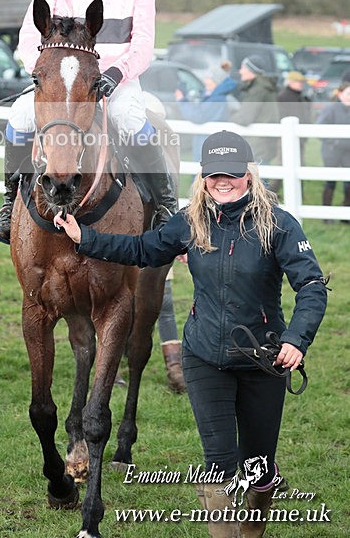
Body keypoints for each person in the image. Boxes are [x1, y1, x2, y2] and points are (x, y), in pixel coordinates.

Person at [54, 130, 327, 537]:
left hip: (263, 360)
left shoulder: (279, 224)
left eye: (231, 173)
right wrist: (85, 238)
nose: (222, 181)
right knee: (219, 466)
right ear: (203, 176)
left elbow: (312, 285)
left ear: (248, 174)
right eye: (214, 174)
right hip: (204, 357)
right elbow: (143, 250)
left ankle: (253, 526)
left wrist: (295, 339)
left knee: (258, 468)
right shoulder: (190, 220)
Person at [0, 0, 176, 243]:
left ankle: (166, 205)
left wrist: (115, 74)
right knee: (20, 116)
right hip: (60, 82)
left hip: (115, 81)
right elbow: (29, 37)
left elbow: (143, 46)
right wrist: (43, 75)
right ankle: (10, 204)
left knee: (130, 119)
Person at [175, 61, 238, 162]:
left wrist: (182, 101)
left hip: (209, 145)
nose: (205, 81)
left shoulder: (216, 99)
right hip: (205, 143)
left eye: (208, 78)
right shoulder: (211, 96)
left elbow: (198, 117)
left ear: (216, 81)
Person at [269, 71, 312, 195]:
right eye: (298, 82)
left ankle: (297, 195)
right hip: (286, 139)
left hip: (299, 138)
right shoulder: (283, 97)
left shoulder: (300, 97)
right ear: (291, 82)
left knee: (298, 166)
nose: (301, 84)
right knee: (282, 167)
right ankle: (270, 195)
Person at [233, 55, 279, 165]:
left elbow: (244, 118)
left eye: (243, 68)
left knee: (256, 175)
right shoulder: (264, 87)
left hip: (256, 145)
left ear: (251, 70)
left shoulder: (257, 90)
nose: (240, 71)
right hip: (263, 144)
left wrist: (230, 117)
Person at [316, 80, 350, 216]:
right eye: (348, 94)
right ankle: (327, 214)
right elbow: (319, 129)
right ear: (340, 94)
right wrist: (334, 142)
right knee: (330, 181)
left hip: (348, 151)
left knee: (348, 182)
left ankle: (346, 213)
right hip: (332, 151)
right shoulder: (330, 109)